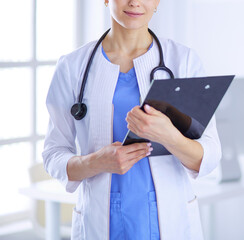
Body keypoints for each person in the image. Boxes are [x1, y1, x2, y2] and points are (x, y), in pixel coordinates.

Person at [42, 0, 222, 239]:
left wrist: (168, 136)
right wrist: (95, 162)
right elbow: (53, 154)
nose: (135, 2)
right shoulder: (72, 67)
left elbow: (209, 155)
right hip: (101, 224)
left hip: (168, 224)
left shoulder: (183, 61)